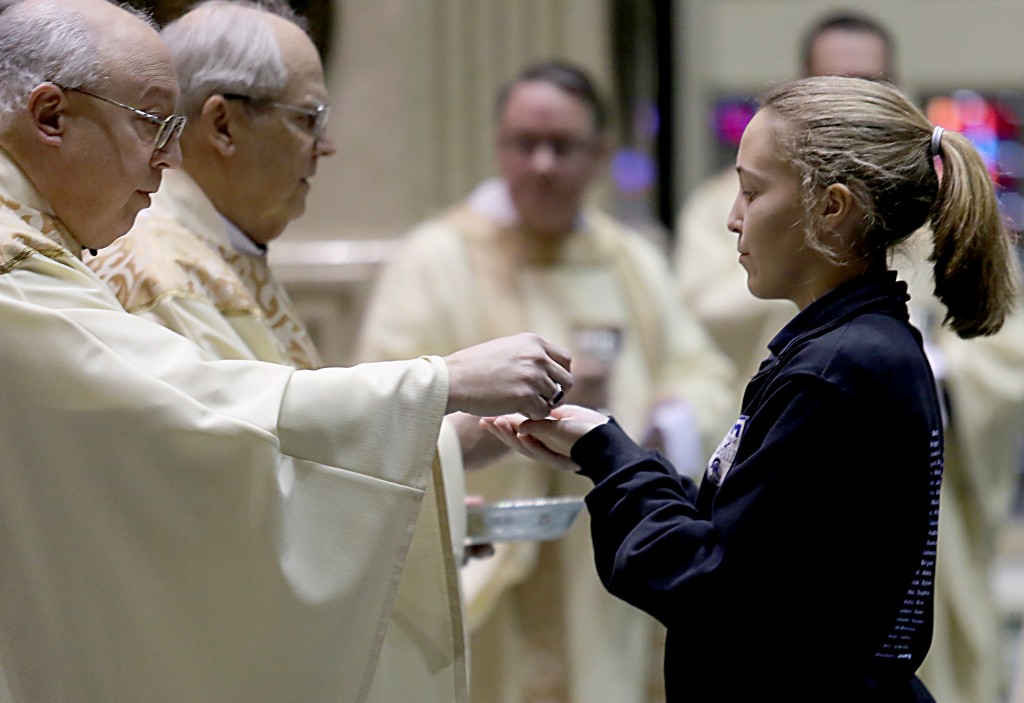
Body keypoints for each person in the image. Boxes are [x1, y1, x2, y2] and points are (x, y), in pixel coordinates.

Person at [0, 1, 574, 701]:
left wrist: (440, 444)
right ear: (51, 117)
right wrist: (440, 384)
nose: (168, 158)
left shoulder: (77, 246)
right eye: (154, 123)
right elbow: (201, 446)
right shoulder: (80, 265)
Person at [485, 74, 1019, 702]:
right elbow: (750, 535)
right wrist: (606, 450)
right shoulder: (849, 348)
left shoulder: (838, 369)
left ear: (831, 208)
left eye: (751, 191)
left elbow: (714, 588)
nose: (733, 220)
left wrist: (609, 458)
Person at [85, 2, 483, 700]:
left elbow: (285, 450)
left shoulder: (219, 252)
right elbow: (231, 497)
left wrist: (436, 465)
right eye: (309, 119)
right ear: (222, 124)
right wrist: (444, 431)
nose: (324, 148)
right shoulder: (157, 270)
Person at [355, 59, 735, 703]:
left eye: (562, 147)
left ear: (600, 154)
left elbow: (702, 375)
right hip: (492, 555)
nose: (541, 165)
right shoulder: (435, 259)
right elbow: (387, 406)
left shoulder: (631, 260)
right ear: (499, 147)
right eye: (523, 144)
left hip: (606, 576)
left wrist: (646, 426)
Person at [675, 11, 1024, 702]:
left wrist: (937, 369)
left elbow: (1000, 349)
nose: (737, 218)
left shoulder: (857, 343)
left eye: (869, 81)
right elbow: (699, 329)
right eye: (833, 79)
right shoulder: (750, 212)